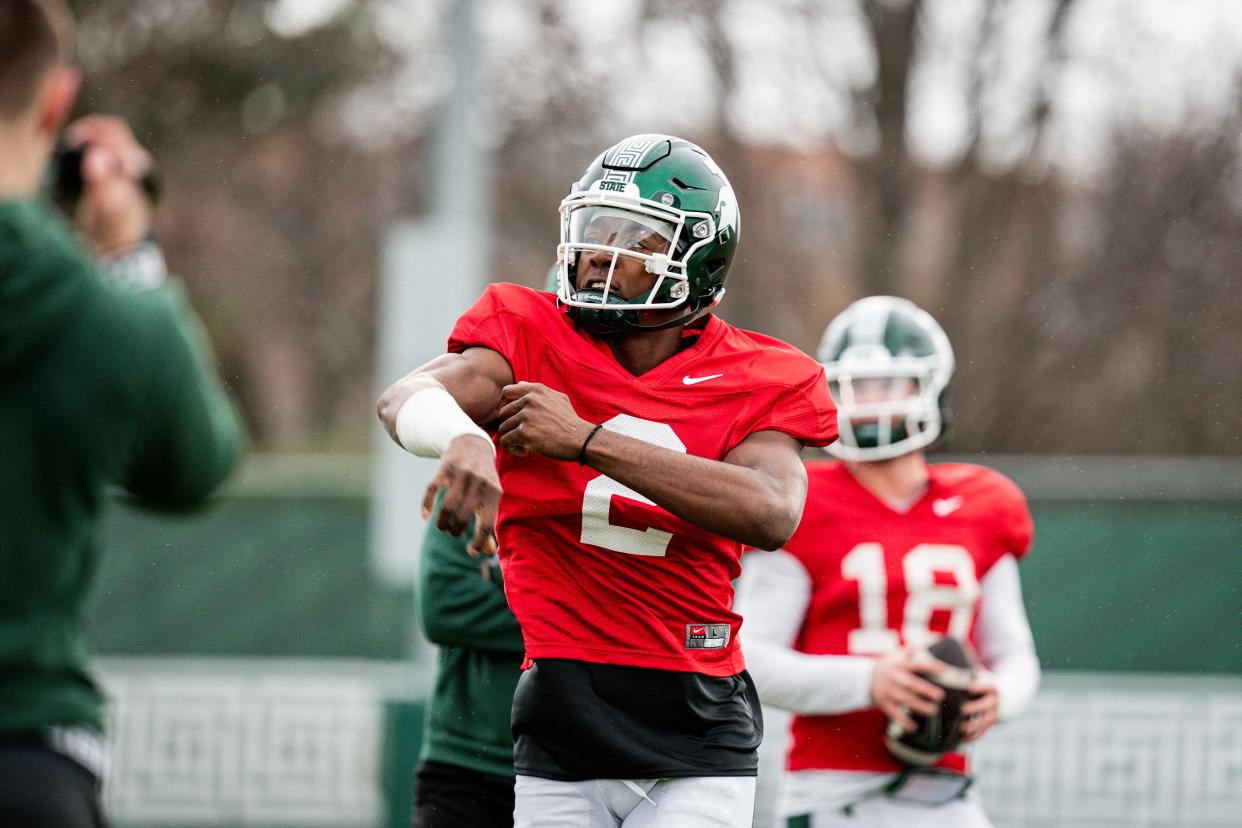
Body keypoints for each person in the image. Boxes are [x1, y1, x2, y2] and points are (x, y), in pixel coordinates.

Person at [378, 134, 838, 828]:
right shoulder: (529, 331)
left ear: (699, 257)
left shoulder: (759, 374)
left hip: (697, 724)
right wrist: (464, 436)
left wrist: (588, 441)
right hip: (561, 725)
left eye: (636, 238)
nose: (601, 251)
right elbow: (403, 397)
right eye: (595, 228)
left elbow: (773, 512)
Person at [0, 1, 245, 825]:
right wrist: (129, 254)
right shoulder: (111, 320)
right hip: (25, 754)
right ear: (54, 102)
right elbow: (196, 467)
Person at [735, 296, 1040, 827]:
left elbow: (1016, 654)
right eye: (857, 386)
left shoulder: (984, 504)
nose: (870, 402)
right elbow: (750, 661)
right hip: (831, 793)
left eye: (886, 385)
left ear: (930, 387)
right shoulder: (801, 502)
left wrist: (998, 696)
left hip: (947, 794)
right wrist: (871, 681)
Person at [412, 497, 524, 828]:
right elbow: (443, 607)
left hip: (579, 771)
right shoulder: (473, 480)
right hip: (465, 766)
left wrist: (502, 588)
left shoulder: (596, 483)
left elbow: (679, 626)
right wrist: (576, 617)